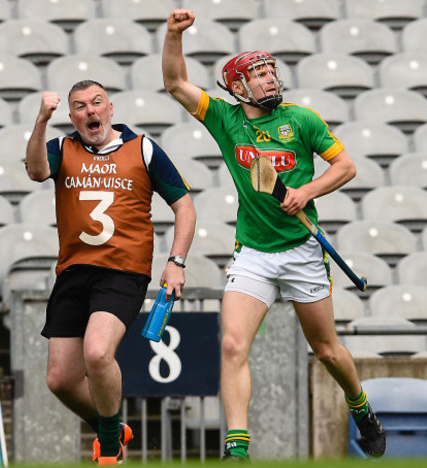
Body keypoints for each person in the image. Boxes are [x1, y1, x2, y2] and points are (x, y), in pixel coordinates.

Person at [162, 9, 386, 461]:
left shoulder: (301, 120)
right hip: (254, 253)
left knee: (325, 351)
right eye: (258, 75)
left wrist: (306, 191)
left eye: (270, 73)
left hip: (303, 250)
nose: (269, 81)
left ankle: (360, 406)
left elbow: (346, 166)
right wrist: (172, 36)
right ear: (237, 87)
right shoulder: (225, 119)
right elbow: (175, 84)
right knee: (232, 343)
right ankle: (237, 447)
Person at [25, 80, 196, 465]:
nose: (90, 111)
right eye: (80, 106)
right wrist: (41, 121)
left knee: (98, 352)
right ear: (72, 117)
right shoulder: (61, 148)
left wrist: (176, 261)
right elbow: (36, 172)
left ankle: (109, 449)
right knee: (60, 381)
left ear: (111, 109)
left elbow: (185, 207)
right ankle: (114, 427)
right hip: (73, 271)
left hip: (123, 270)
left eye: (97, 102)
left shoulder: (143, 148)